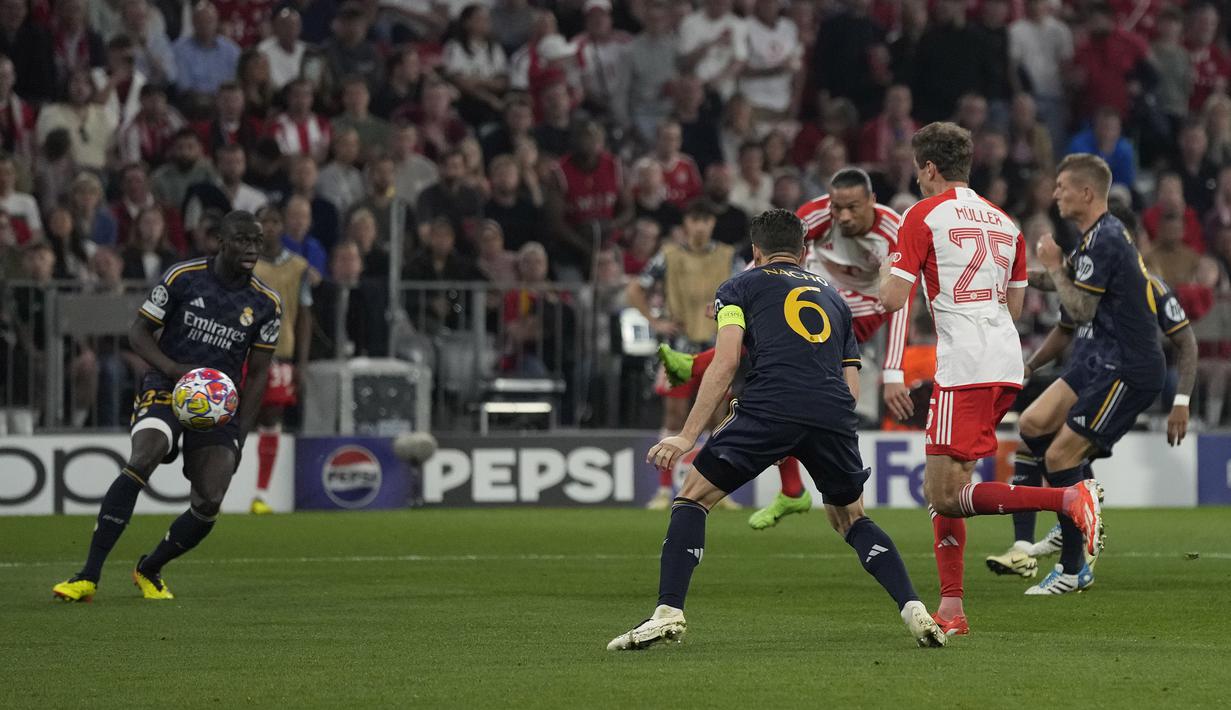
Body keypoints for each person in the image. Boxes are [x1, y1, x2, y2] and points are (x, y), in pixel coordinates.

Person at [606, 209, 947, 651]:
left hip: (772, 405)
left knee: (693, 496)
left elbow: (726, 361)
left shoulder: (738, 286)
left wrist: (687, 436)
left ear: (755, 251)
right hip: (832, 413)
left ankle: (667, 612)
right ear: (805, 252)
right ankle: (913, 608)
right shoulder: (835, 299)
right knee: (850, 518)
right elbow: (851, 382)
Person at [878, 123, 1102, 635]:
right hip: (1005, 361)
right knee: (952, 486)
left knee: (942, 495)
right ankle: (952, 609)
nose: (917, 178)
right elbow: (1017, 305)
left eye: (918, 169)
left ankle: (1067, 498)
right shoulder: (1006, 223)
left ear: (929, 168)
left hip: (965, 365)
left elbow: (893, 299)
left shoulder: (922, 215)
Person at [659, 168, 913, 530]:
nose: (841, 216)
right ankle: (792, 491)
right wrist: (738, 294)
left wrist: (893, 373)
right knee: (778, 354)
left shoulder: (894, 230)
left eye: (852, 208)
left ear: (872, 201)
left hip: (860, 308)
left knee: (785, 349)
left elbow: (900, 300)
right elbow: (770, 255)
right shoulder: (816, 213)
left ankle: (695, 365)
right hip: (815, 299)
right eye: (836, 207)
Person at [51, 210, 279, 602]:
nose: (251, 249)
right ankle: (87, 575)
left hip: (218, 407)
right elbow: (138, 331)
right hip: (167, 387)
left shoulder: (265, 303)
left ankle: (149, 568)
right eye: (242, 239)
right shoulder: (183, 277)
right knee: (143, 458)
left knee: (209, 500)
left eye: (256, 242)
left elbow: (257, 375)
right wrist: (173, 369)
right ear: (220, 241)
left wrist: (241, 434)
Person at [981, 155, 1167, 596]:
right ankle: (1068, 514)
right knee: (1031, 426)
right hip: (1099, 362)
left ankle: (1072, 568)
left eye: (1063, 186)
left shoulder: (1105, 241)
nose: (1056, 193)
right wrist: (1012, 272)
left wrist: (1054, 263)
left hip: (1127, 367)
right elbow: (1067, 286)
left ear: (1087, 193)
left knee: (1061, 458)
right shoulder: (1093, 240)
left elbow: (1080, 308)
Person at [988, 271, 1197, 583]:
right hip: (1081, 375)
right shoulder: (1082, 280)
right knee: (1032, 437)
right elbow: (1063, 327)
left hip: (1115, 381)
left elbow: (1186, 341)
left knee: (1063, 455)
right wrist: (1030, 364)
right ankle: (1030, 544)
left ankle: (1076, 544)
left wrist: (1181, 399)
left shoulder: (1146, 286)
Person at [627, 200, 737, 509]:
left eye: (705, 220)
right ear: (686, 224)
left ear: (712, 224)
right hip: (679, 349)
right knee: (674, 416)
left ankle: (716, 488)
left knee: (718, 417)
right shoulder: (668, 256)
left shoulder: (729, 257)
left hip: (718, 348)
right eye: (694, 219)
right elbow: (636, 288)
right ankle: (664, 489)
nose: (700, 226)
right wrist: (655, 320)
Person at [250, 205, 313, 515]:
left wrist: (301, 362)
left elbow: (304, 315)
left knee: (270, 418)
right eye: (265, 221)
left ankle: (260, 494)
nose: (270, 227)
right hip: (245, 351)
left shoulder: (299, 267)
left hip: (281, 351)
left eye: (275, 221)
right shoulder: (244, 264)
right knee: (235, 417)